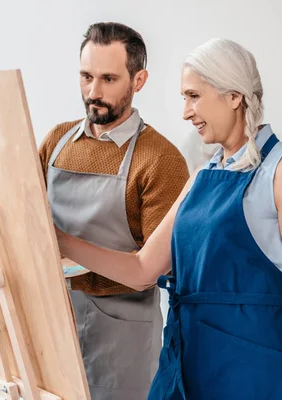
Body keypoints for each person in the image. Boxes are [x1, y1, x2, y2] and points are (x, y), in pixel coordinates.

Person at [55, 38, 282, 400]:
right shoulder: (203, 174)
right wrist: (59, 239)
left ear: (234, 96)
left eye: (193, 96)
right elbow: (141, 270)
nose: (186, 112)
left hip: (258, 370)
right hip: (191, 363)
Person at [38, 22, 189, 399]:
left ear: (139, 80)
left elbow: (150, 271)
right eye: (86, 76)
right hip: (52, 319)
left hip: (121, 337)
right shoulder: (56, 140)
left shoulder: (161, 160)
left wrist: (62, 242)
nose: (94, 92)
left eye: (108, 78)